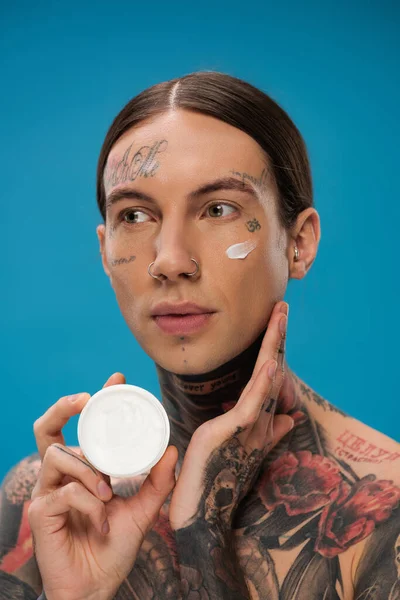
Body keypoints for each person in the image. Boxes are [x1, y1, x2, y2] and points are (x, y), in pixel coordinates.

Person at [1, 71, 399, 600]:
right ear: (104, 249)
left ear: (299, 243)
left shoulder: (383, 512)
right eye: (135, 214)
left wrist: (201, 532)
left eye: (218, 209)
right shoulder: (47, 506)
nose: (169, 261)